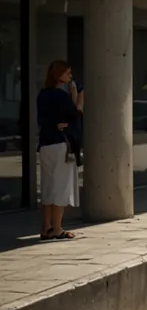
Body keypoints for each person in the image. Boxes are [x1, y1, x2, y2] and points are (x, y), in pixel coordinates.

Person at [37, 60, 83, 239]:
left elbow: (43, 120)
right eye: (67, 73)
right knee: (61, 187)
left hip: (45, 145)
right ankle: (57, 228)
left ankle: (46, 228)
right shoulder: (62, 96)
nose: (70, 76)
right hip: (60, 145)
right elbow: (76, 115)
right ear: (58, 75)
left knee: (48, 186)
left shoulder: (42, 95)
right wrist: (77, 96)